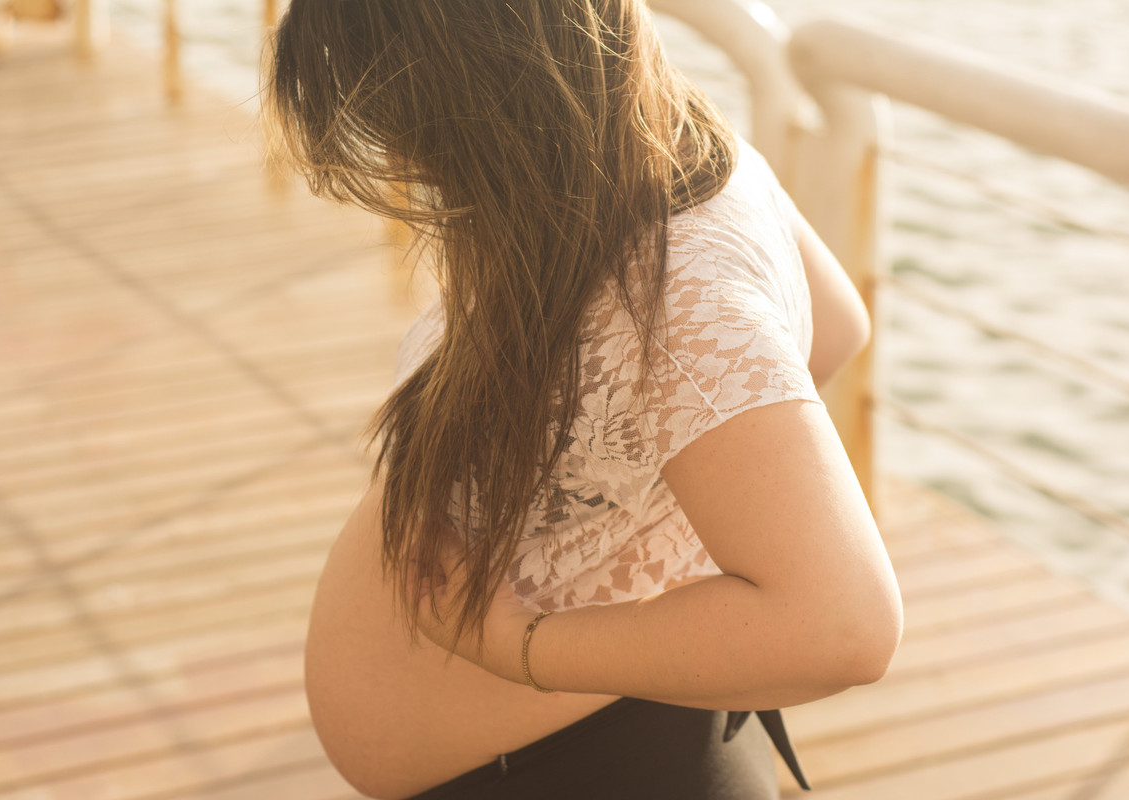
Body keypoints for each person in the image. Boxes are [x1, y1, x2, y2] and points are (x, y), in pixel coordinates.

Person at [265, 1, 903, 798]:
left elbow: (845, 625)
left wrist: (522, 645)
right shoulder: (683, 164)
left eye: (414, 133)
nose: (410, 165)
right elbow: (836, 323)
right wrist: (635, 518)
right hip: (602, 739)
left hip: (590, 762)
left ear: (492, 103)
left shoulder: (669, 297)